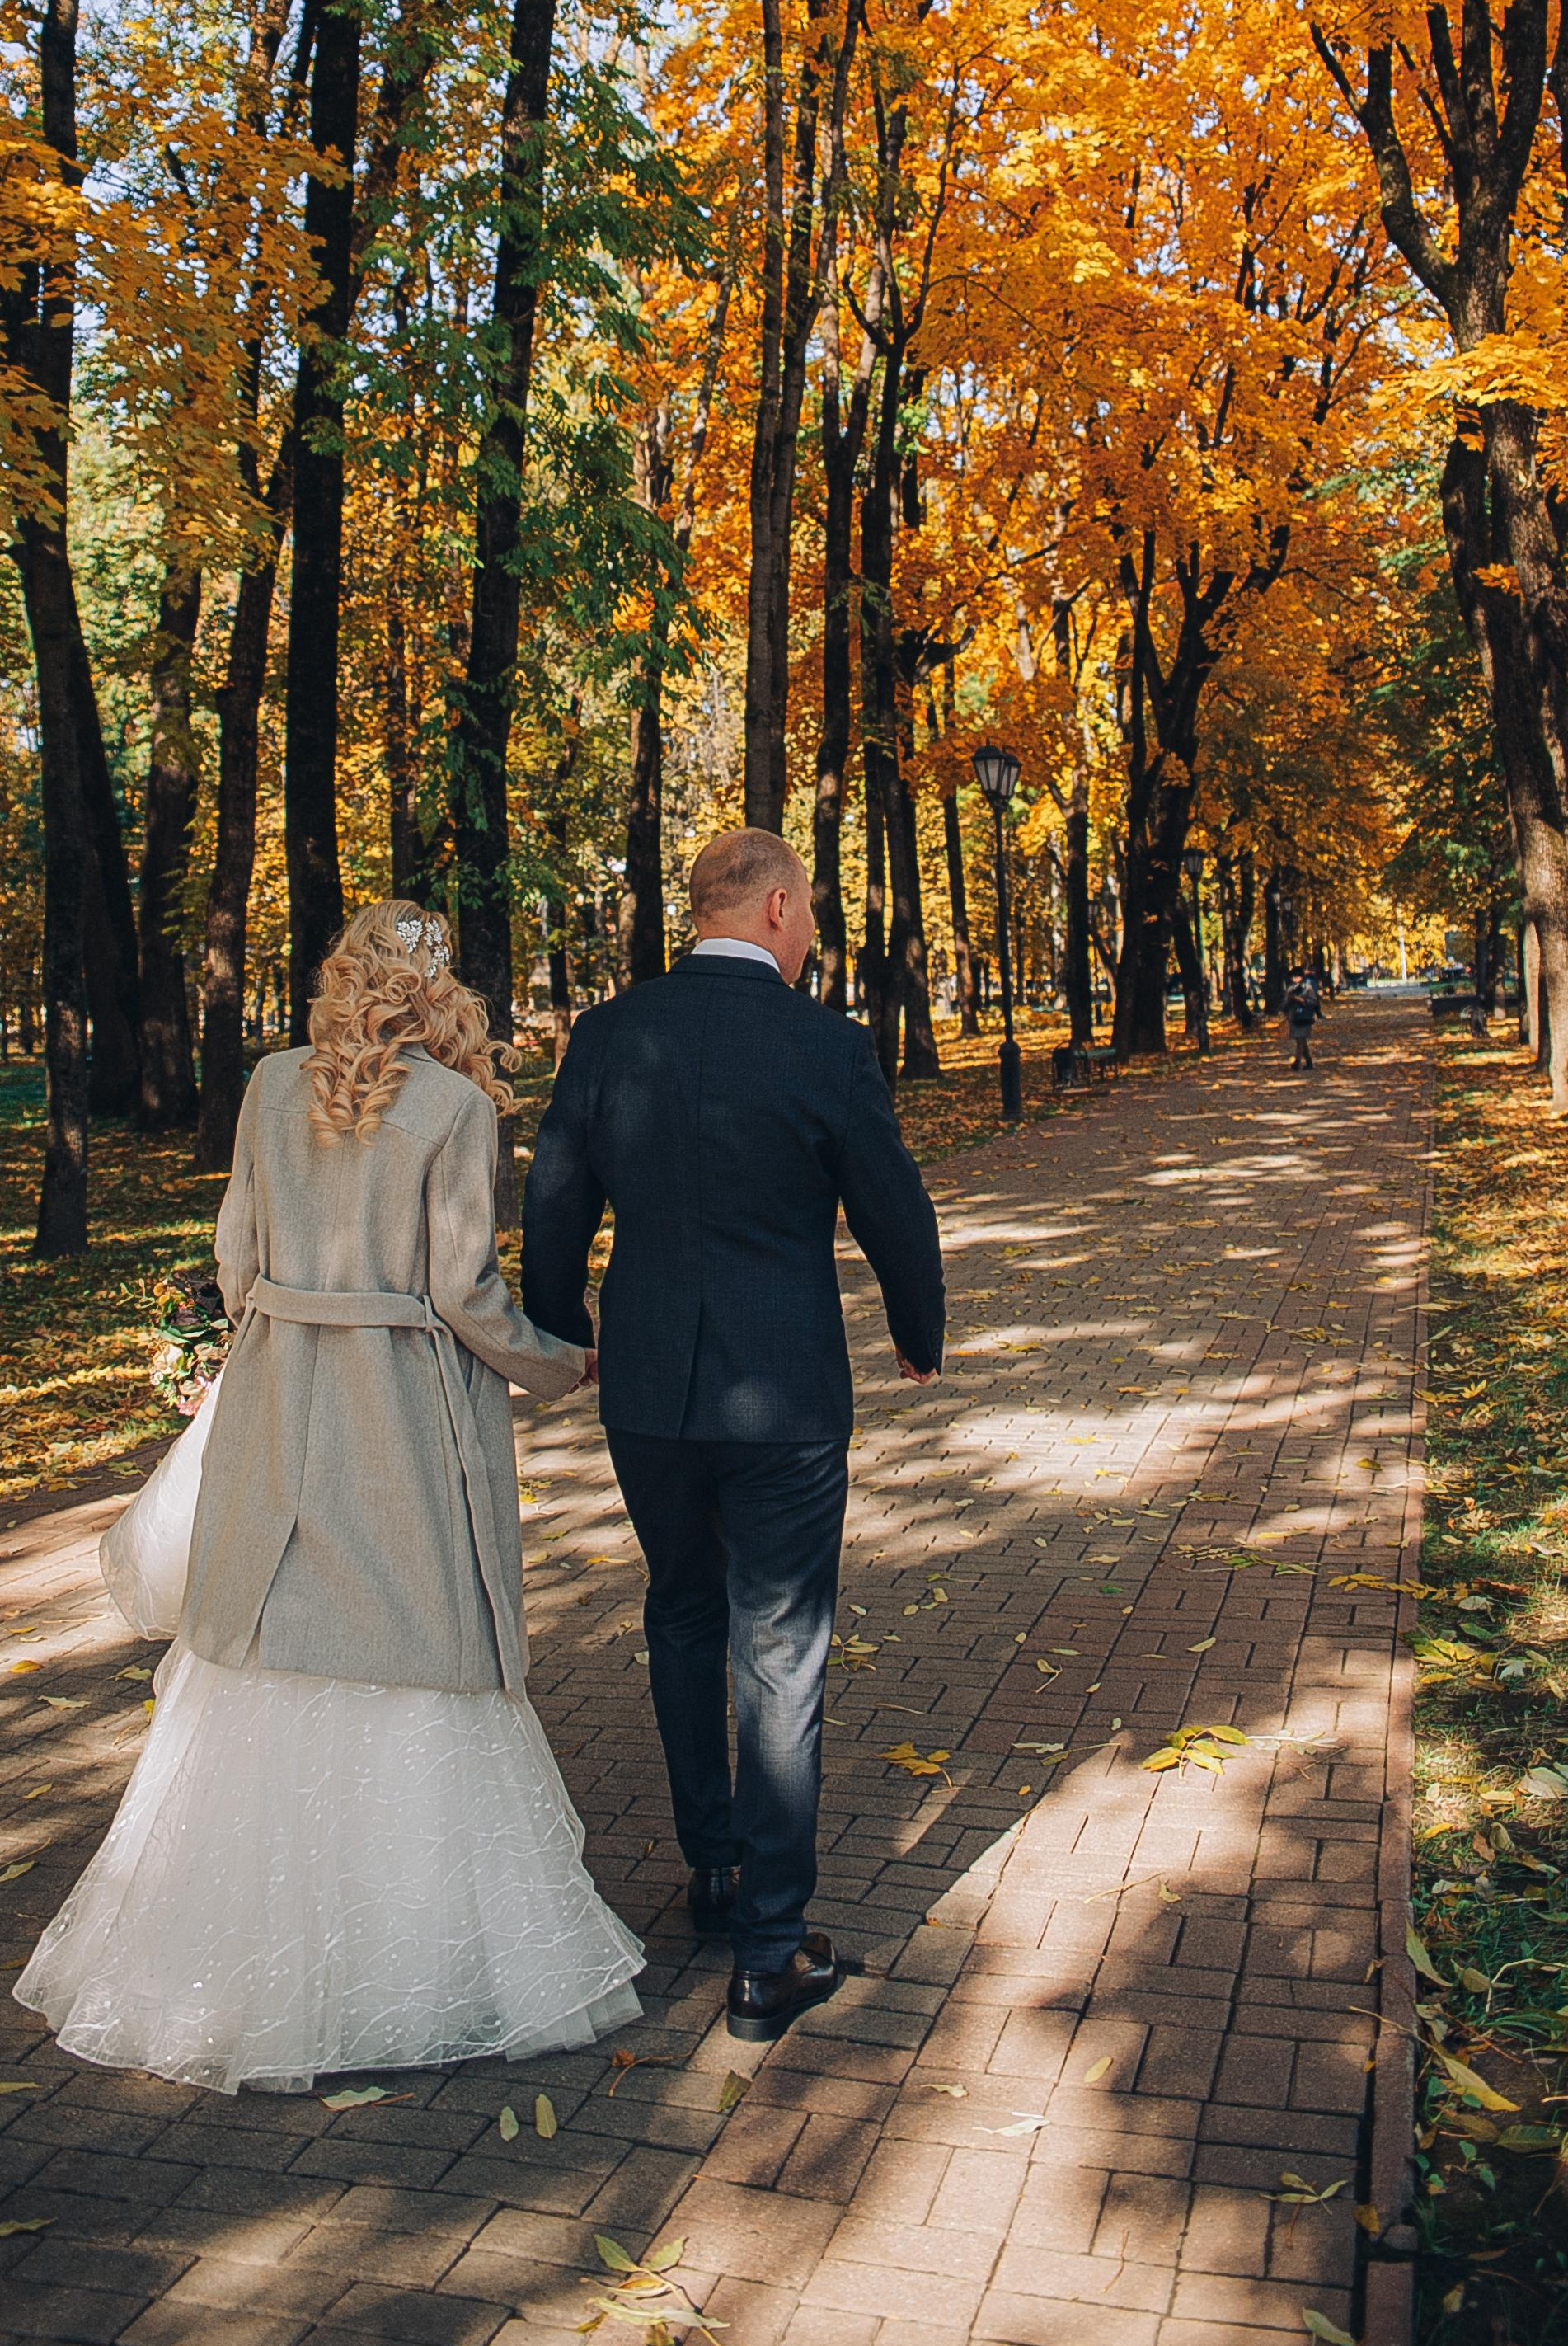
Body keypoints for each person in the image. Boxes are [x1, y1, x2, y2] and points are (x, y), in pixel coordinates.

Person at [16, 904, 645, 2095]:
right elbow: (463, 1291)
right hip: (397, 1408)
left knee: (264, 1636)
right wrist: (558, 1361)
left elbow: (237, 1258)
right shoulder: (456, 1110)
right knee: (415, 1636)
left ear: (341, 978)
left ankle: (224, 1969)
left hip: (280, 1388)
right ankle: (422, 1965)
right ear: (438, 994)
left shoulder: (263, 1087)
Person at [523, 829, 946, 2044]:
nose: (810, 934)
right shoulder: (823, 1042)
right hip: (788, 1397)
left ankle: (712, 1869)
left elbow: (553, 1199)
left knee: (681, 1612)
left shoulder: (609, 1035)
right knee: (783, 1649)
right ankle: (769, 1950)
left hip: (650, 1387)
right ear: (771, 907)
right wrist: (918, 1331)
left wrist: (567, 1328)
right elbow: (892, 1207)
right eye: (807, 914)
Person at [1284, 967, 1322, 1070]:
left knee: (1301, 1040)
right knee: (1301, 1041)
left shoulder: (1308, 988)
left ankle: (1297, 1062)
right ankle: (1309, 1062)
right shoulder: (1290, 989)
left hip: (1304, 1017)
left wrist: (1303, 1001)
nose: (1295, 978)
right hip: (1294, 1018)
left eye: (1297, 976)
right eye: (1294, 976)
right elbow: (1285, 1004)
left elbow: (1314, 1001)